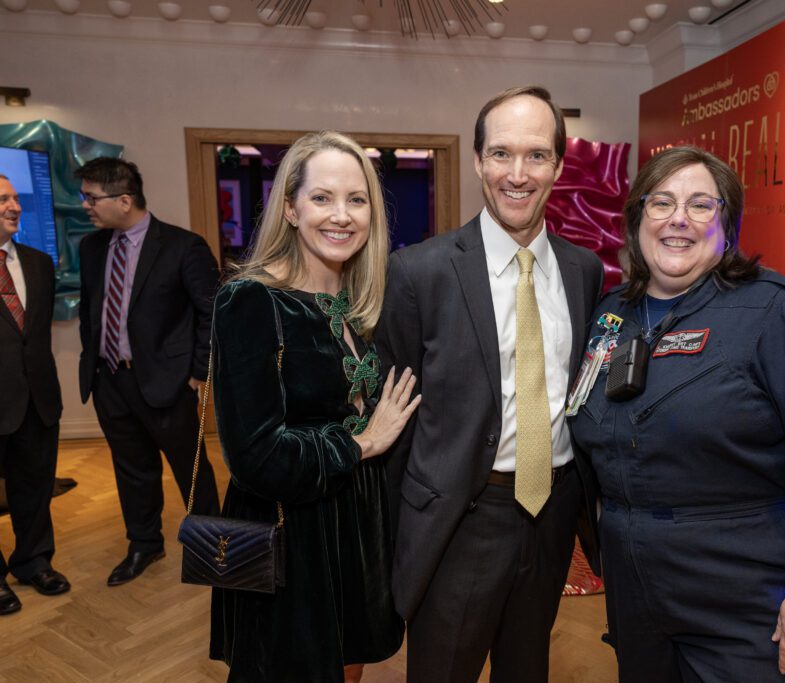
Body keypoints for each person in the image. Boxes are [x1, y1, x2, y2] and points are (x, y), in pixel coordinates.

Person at [569, 146, 785, 683]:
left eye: (700, 205)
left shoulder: (777, 312)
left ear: (727, 225)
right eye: (661, 203)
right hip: (634, 589)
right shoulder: (610, 315)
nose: (678, 219)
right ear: (637, 218)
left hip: (745, 595)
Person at [375, 85, 604, 683]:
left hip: (552, 513)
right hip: (460, 518)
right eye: (501, 153)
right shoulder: (419, 272)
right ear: (478, 161)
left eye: (536, 155)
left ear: (558, 165)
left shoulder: (583, 271)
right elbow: (394, 420)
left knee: (528, 668)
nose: (517, 174)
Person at [209, 131, 420, 683]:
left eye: (357, 199)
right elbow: (255, 456)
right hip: (291, 537)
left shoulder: (359, 305)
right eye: (322, 197)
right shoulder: (252, 300)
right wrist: (361, 442)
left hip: (355, 526)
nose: (341, 215)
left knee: (348, 668)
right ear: (290, 208)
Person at [76, 157, 221, 586]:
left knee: (190, 469)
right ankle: (144, 543)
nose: (85, 205)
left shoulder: (182, 246)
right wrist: (94, 364)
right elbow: (90, 312)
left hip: (167, 383)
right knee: (132, 469)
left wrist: (197, 373)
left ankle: (211, 546)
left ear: (124, 200)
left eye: (91, 198)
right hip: (109, 380)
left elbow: (212, 312)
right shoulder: (91, 248)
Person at [0, 174, 68, 615]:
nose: (15, 206)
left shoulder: (39, 262)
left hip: (37, 400)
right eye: (2, 200)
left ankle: (34, 561)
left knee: (35, 486)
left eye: (15, 198)